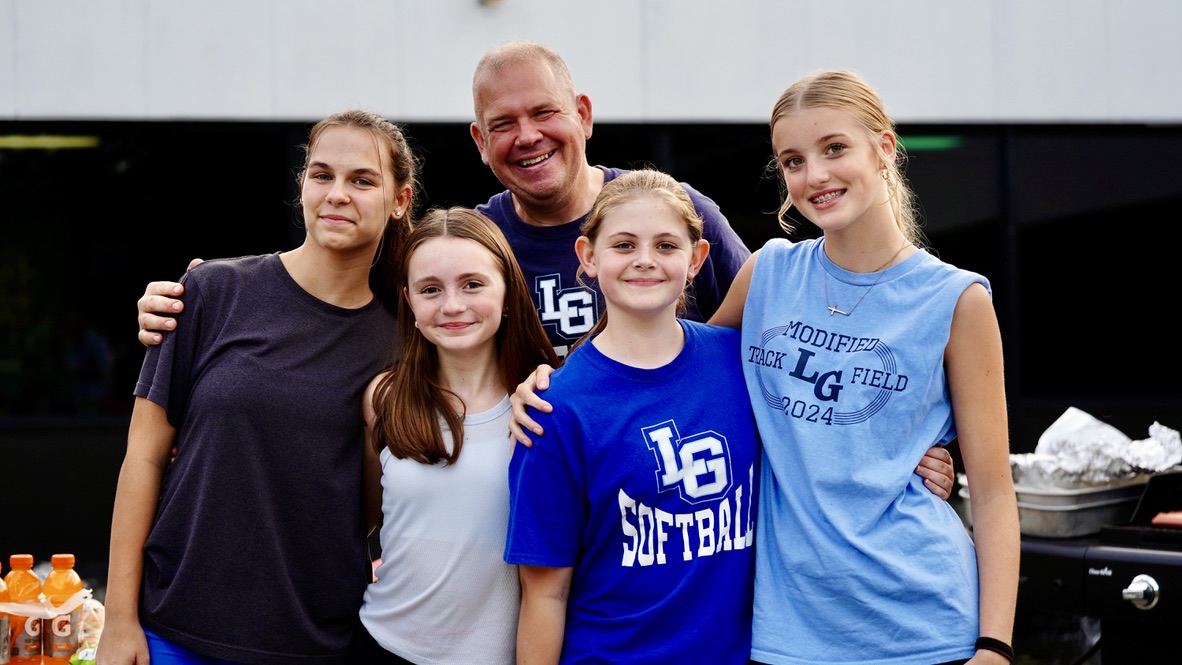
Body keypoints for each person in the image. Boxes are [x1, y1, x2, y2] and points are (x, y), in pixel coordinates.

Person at [134, 40, 752, 360]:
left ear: (584, 115)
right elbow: (334, 295)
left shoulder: (673, 214)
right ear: (480, 143)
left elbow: (768, 327)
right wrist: (219, 298)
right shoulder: (464, 246)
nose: (528, 136)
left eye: (545, 112)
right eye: (504, 123)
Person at [709, 70, 1020, 664]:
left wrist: (995, 646)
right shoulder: (768, 274)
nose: (815, 176)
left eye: (834, 149)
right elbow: (668, 369)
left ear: (884, 149)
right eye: (793, 160)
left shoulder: (957, 300)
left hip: (923, 626)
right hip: (790, 631)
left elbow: (993, 491)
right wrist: (552, 382)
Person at [98, 109, 417, 665]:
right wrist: (120, 621)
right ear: (302, 186)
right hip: (172, 628)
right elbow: (143, 460)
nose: (338, 193)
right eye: (322, 175)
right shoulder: (210, 291)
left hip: (315, 640)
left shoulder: (407, 344)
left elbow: (366, 507)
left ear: (400, 200)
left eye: (362, 180)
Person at [504, 169, 759, 664]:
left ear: (696, 260)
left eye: (666, 245)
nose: (645, 260)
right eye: (623, 245)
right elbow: (544, 595)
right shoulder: (553, 410)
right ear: (588, 258)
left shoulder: (743, 363)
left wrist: (922, 458)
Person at [349, 207, 558, 665]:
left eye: (473, 284)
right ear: (409, 302)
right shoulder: (383, 397)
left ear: (508, 291)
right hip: (384, 645)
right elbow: (368, 522)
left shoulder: (546, 402)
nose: (452, 306)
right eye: (430, 290)